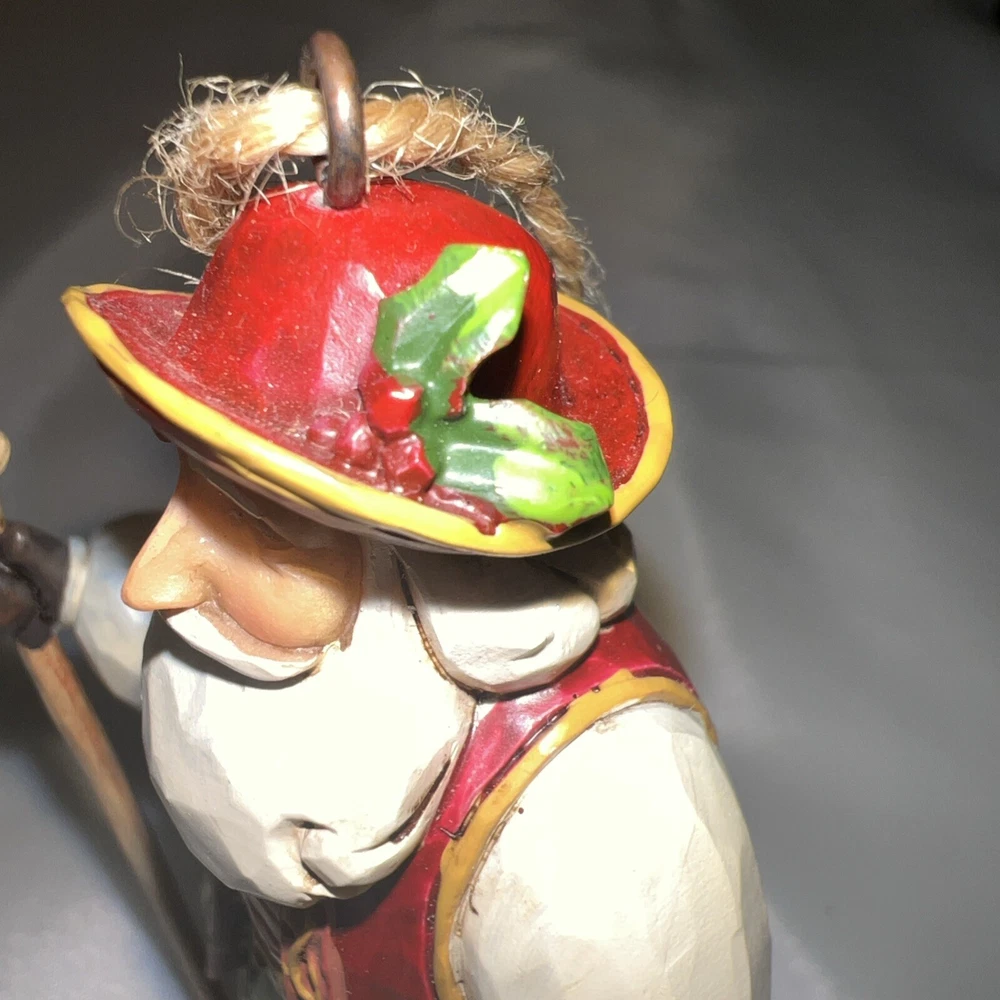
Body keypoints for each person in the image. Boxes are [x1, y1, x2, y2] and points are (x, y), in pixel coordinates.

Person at [0, 41, 770, 998]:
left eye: (266, 528)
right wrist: (68, 581)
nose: (153, 578)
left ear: (433, 578)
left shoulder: (607, 847)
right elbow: (192, 672)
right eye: (188, 484)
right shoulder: (322, 686)